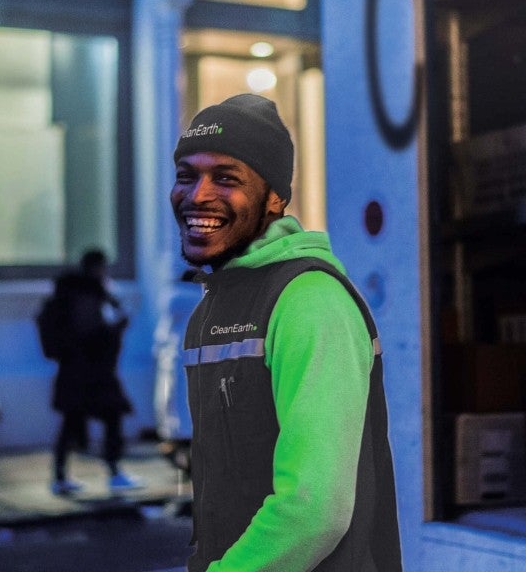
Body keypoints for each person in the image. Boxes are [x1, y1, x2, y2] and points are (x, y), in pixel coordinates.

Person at [171, 93, 402, 571]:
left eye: (226, 178)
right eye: (186, 175)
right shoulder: (213, 305)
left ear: (275, 197)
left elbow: (313, 511)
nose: (197, 195)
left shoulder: (308, 300)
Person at [47, 248, 142, 495]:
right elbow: (89, 335)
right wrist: (116, 329)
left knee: (76, 422)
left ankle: (62, 477)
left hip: (78, 373)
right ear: (95, 268)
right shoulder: (84, 296)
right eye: (102, 267)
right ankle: (111, 472)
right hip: (89, 374)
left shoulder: (78, 294)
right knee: (106, 417)